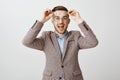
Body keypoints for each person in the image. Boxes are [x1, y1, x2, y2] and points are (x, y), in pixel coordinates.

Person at [22, 5, 98, 80]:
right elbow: (26, 42)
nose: (61, 22)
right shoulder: (46, 37)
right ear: (52, 21)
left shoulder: (76, 36)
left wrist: (79, 20)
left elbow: (93, 42)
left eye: (64, 18)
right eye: (57, 18)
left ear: (68, 21)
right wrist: (41, 21)